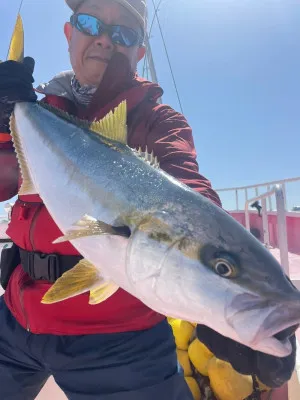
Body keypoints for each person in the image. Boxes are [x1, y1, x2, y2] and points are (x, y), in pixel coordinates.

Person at [0, 0, 296, 398]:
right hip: (14, 319)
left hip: (120, 343)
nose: (105, 39)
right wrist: (7, 119)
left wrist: (213, 310)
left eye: (124, 33)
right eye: (90, 23)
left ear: (139, 52)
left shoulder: (158, 120)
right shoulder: (38, 110)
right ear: (69, 33)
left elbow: (187, 187)